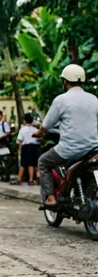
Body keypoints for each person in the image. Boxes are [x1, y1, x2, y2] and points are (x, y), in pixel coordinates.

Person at [34, 65, 98, 207]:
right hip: (94, 149)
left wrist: (39, 133)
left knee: (43, 162)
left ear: (65, 81)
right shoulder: (94, 99)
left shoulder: (61, 100)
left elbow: (46, 125)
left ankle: (50, 197)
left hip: (70, 150)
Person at [11, 113, 39, 186]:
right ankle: (31, 180)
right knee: (32, 163)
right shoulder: (35, 129)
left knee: (23, 164)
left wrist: (19, 151)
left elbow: (20, 141)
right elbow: (38, 140)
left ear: (25, 121)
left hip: (25, 147)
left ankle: (19, 179)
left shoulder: (22, 129)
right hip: (34, 147)